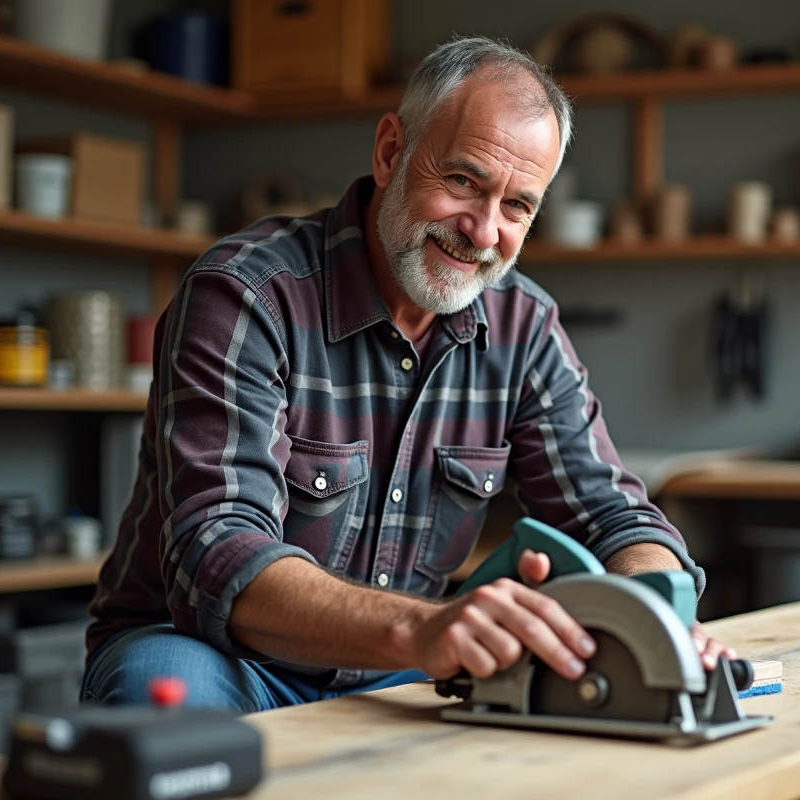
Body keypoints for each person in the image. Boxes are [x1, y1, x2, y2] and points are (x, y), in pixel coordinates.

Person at [82, 35, 732, 713]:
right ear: (391, 151)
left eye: (517, 207)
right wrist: (423, 629)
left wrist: (662, 617)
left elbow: (613, 516)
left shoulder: (524, 325)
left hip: (393, 671)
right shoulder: (247, 294)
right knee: (165, 702)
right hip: (212, 655)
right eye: (463, 182)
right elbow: (218, 555)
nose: (483, 233)